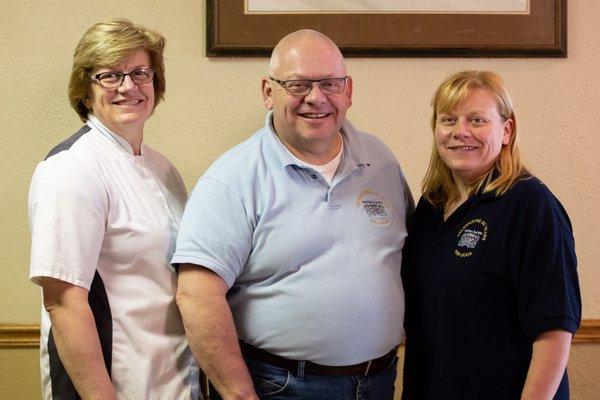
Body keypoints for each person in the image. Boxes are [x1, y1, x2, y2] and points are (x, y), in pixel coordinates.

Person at [173, 29, 413, 400]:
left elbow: (408, 256)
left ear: (348, 91)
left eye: (330, 84)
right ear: (269, 92)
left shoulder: (380, 160)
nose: (316, 98)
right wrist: (239, 395)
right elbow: (196, 296)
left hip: (379, 381)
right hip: (279, 386)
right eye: (298, 85)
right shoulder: (232, 179)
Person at [28, 19, 198, 400]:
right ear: (84, 91)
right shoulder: (72, 167)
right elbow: (63, 301)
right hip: (113, 385)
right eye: (110, 75)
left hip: (170, 378)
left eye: (140, 73)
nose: (128, 86)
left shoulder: (162, 168)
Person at [401, 71, 581, 399]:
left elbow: (554, 332)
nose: (460, 132)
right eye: (449, 119)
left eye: (477, 120)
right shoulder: (430, 207)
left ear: (506, 130)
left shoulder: (531, 206)